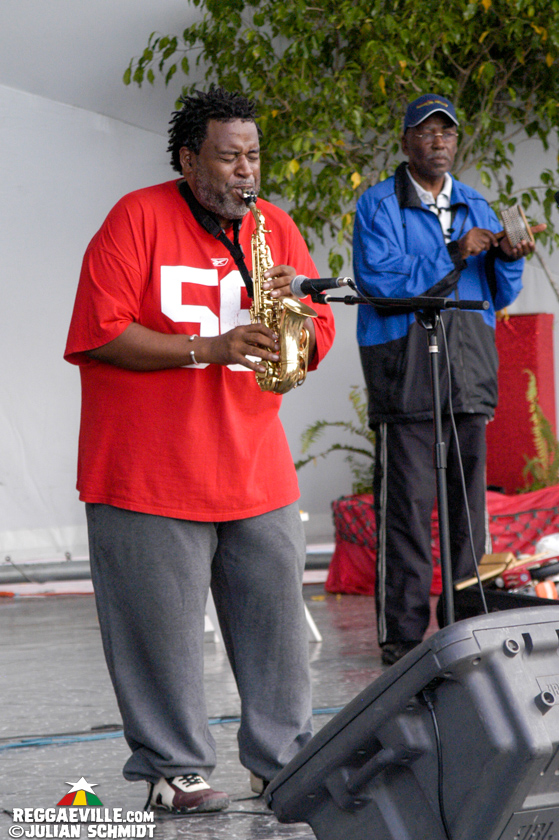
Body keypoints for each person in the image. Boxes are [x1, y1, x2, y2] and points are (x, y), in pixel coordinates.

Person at [64, 87, 335, 814]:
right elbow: (99, 331)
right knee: (159, 632)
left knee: (276, 629)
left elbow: (312, 341)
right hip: (146, 468)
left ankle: (281, 760)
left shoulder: (275, 227)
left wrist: (294, 323)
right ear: (188, 160)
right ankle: (171, 768)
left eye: (252, 156)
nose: (246, 171)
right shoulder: (136, 218)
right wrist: (209, 348)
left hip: (254, 463)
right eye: (228, 156)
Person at [353, 93, 543, 666]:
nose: (439, 142)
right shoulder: (378, 205)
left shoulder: (477, 204)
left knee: (470, 515)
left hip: (467, 370)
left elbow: (500, 293)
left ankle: (468, 627)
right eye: (427, 132)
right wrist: (454, 253)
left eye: (448, 134)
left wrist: (509, 255)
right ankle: (403, 639)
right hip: (406, 367)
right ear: (406, 141)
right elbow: (382, 287)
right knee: (406, 512)